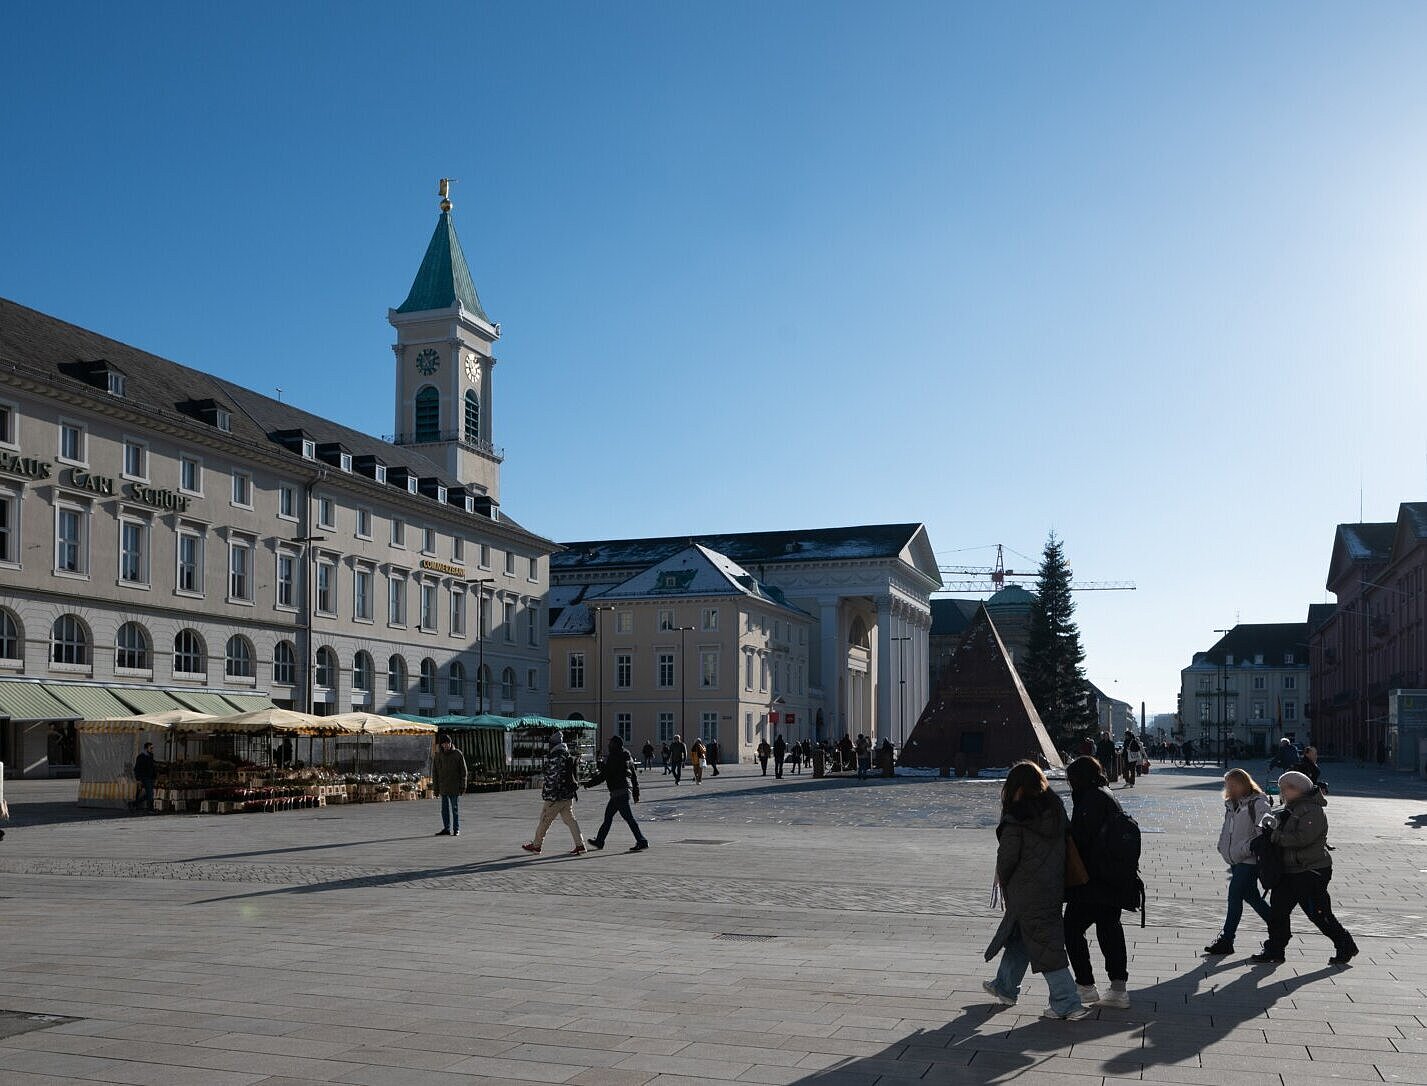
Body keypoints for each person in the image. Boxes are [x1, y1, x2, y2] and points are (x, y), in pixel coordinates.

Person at [982, 761, 1091, 1019]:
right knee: (1022, 936)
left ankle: (1067, 1003)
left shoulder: (1016, 816)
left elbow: (1007, 857)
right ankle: (1005, 987)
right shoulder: (1055, 808)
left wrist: (1001, 877)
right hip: (1051, 886)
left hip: (1026, 891)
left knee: (1046, 945)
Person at [1250, 770, 1357, 966]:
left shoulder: (1312, 810)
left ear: (1299, 789)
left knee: (1318, 913)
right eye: (1282, 789)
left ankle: (1345, 944)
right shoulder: (1290, 808)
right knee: (1278, 911)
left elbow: (1302, 839)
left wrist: (1275, 836)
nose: (1283, 792)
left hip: (1310, 870)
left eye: (1286, 788)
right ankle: (1275, 949)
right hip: (1290, 870)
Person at [1063, 757, 1131, 1009]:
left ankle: (1086, 986)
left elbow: (1083, 840)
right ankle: (1118, 989)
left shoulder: (1089, 799)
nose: (1070, 784)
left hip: (1093, 880)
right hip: (1112, 876)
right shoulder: (1105, 794)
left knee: (1071, 929)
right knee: (1109, 929)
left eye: (1072, 779)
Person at [1204, 768, 1272, 955]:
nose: (1230, 788)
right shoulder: (1232, 804)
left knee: (1234, 896)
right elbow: (1228, 828)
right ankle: (1279, 925)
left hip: (1248, 860)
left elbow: (1264, 831)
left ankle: (1227, 940)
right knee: (1252, 898)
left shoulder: (1258, 802)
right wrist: (1222, 845)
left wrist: (1248, 847)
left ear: (1244, 783)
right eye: (1228, 785)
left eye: (1233, 785)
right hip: (1235, 858)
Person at [522, 731, 585, 856]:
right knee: (570, 820)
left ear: (553, 744)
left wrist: (547, 794)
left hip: (555, 797)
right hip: (567, 795)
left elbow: (552, 778)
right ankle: (580, 844)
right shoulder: (566, 754)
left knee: (545, 820)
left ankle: (536, 846)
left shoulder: (556, 757)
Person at [584, 735, 649, 852]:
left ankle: (641, 840)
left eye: (610, 743)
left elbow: (604, 775)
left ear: (614, 745)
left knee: (628, 818)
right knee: (608, 816)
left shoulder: (614, 757)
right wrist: (635, 792)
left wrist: (589, 784)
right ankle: (600, 840)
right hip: (623, 791)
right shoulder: (627, 755)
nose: (608, 745)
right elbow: (633, 775)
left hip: (618, 792)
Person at [432, 733, 468, 837]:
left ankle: (456, 829)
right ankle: (446, 828)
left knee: (454, 809)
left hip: (454, 786)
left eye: (448, 743)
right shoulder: (438, 755)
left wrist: (463, 786)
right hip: (443, 786)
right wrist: (436, 788)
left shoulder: (457, 754)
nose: (446, 745)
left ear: (451, 743)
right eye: (444, 743)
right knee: (444, 810)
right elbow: (435, 773)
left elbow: (463, 771)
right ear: (441, 745)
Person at [131, 741, 158, 813]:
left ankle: (134, 803)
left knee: (149, 794)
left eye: (152, 748)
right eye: (151, 748)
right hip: (144, 777)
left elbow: (153, 767)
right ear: (146, 748)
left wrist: (155, 776)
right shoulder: (141, 757)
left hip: (150, 777)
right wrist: (138, 779)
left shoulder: (150, 756)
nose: (152, 749)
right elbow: (137, 768)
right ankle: (150, 809)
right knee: (150, 793)